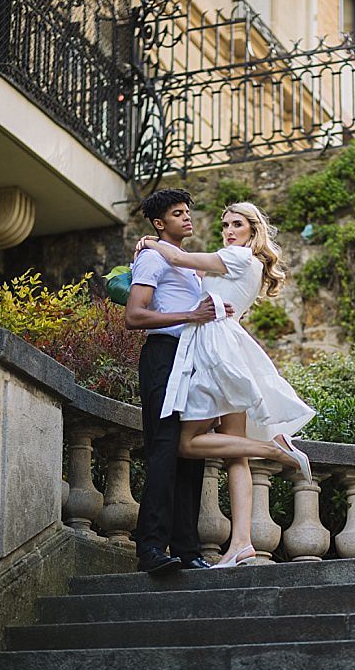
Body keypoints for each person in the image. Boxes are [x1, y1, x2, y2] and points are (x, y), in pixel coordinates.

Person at [135, 201, 315, 568]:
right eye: (225, 226)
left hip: (212, 349)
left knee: (187, 443)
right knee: (235, 455)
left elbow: (181, 260)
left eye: (237, 224)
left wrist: (150, 243)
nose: (229, 231)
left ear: (253, 229)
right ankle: (241, 544)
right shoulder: (248, 263)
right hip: (229, 347)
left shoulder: (237, 256)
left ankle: (272, 450)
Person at [125, 188, 228, 575]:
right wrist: (192, 314)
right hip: (163, 358)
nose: (187, 218)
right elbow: (134, 316)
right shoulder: (152, 258)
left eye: (188, 212)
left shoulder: (186, 263)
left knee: (191, 452)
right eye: (177, 213)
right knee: (165, 451)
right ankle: (150, 547)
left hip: (191, 360)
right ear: (158, 222)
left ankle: (187, 549)